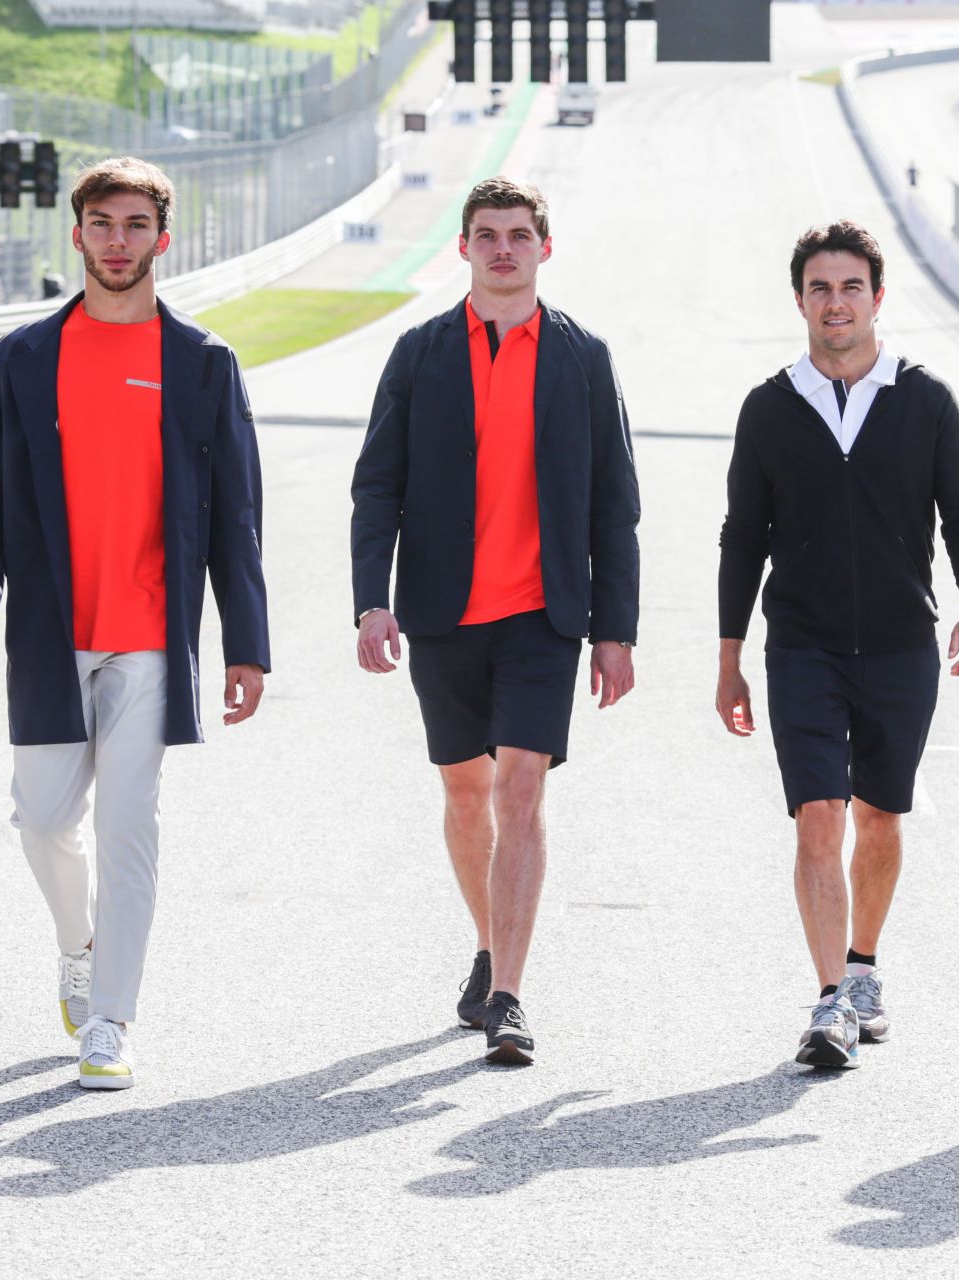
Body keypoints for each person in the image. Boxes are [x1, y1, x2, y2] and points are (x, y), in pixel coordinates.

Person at [0, 157, 270, 1091]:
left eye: (135, 224)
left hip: (150, 637)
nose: (117, 240)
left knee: (131, 824)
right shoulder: (21, 359)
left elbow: (234, 517)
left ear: (162, 239)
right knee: (43, 818)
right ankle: (77, 943)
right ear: (78, 234)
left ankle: (111, 1020)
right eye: (101, 223)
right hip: (52, 627)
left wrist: (245, 642)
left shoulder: (204, 363)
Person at [350, 176, 640, 1066]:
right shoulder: (420, 352)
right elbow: (378, 485)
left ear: (544, 248)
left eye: (520, 234)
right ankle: (488, 943)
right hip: (442, 614)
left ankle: (508, 995)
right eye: (488, 235)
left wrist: (615, 631)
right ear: (464, 247)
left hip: (543, 617)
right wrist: (372, 599)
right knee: (465, 793)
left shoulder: (583, 358)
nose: (504, 248)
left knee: (521, 789)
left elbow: (613, 502)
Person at [716, 221, 959, 1069]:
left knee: (879, 814)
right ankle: (831, 998)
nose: (835, 304)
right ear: (799, 299)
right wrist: (729, 657)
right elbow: (741, 537)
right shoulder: (768, 407)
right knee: (818, 817)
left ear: (877, 296)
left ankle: (864, 969)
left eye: (850, 288)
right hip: (801, 647)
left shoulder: (926, 398)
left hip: (902, 645)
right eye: (819, 289)